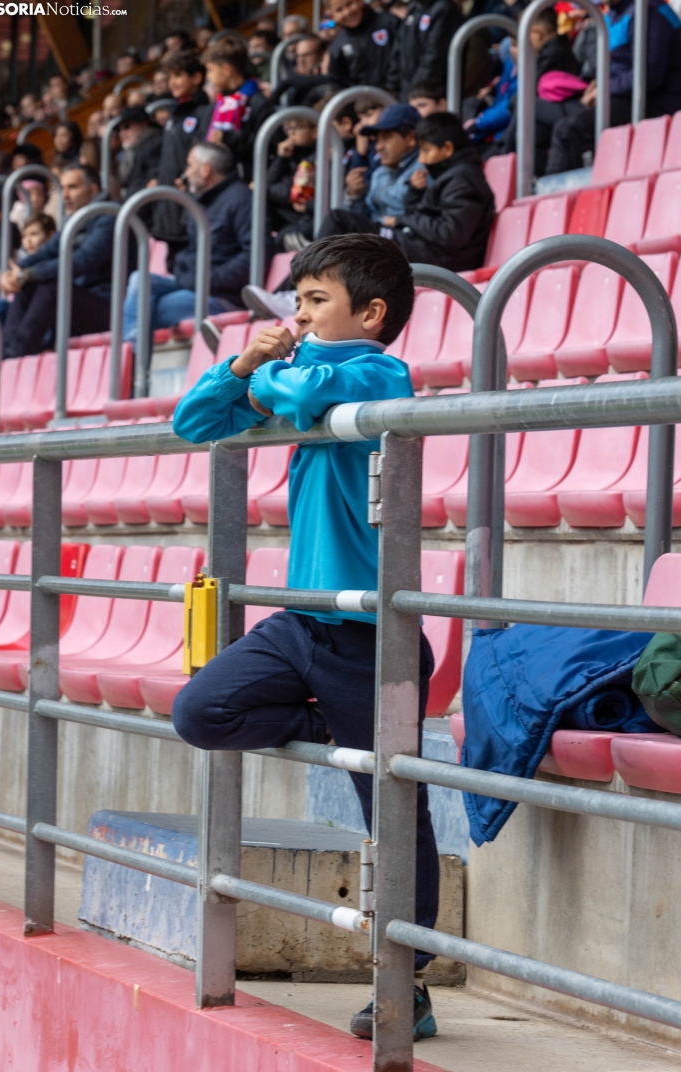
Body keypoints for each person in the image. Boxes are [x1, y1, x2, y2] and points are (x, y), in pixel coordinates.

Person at [171, 233, 439, 1043]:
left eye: (316, 301)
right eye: (298, 301)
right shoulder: (307, 374)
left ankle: (410, 979)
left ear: (372, 312)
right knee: (200, 711)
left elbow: (310, 392)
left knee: (391, 810)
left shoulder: (378, 375)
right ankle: (325, 723)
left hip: (371, 634)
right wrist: (245, 365)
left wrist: (275, 373)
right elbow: (194, 421)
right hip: (300, 620)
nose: (299, 315)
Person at [242, 103, 423, 318]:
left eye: (387, 138)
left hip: (405, 242)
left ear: (411, 137)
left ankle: (296, 294)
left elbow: (427, 216)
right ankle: (289, 296)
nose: (379, 147)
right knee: (338, 231)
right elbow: (364, 215)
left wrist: (400, 218)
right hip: (381, 239)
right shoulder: (380, 173)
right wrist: (355, 197)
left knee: (337, 219)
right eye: (377, 139)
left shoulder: (424, 168)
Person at [123, 142, 253, 348]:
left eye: (189, 166)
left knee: (144, 309)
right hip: (192, 284)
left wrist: (204, 279)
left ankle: (133, 372)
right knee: (139, 280)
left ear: (206, 169)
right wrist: (189, 275)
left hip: (222, 295)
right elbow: (187, 251)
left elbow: (252, 258)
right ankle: (132, 366)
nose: (185, 173)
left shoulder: (241, 199)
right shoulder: (202, 201)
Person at [547, 0, 681, 174]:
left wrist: (605, 89)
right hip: (627, 97)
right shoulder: (615, 13)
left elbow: (647, 76)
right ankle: (542, 193)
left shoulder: (649, 12)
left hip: (657, 102)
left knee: (571, 129)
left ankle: (582, 191)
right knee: (541, 122)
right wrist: (599, 85)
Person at [0, 164, 116, 359]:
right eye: (62, 188)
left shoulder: (110, 217)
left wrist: (29, 274)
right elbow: (46, 252)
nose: (65, 195)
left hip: (108, 307)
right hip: (80, 303)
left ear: (93, 190)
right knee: (29, 286)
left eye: (72, 187)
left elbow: (83, 261)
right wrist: (14, 272)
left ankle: (15, 354)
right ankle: (4, 355)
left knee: (51, 288)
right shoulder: (75, 220)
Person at [389, 111, 494, 270]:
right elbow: (422, 216)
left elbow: (451, 233)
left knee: (350, 229)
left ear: (447, 148)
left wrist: (401, 220)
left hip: (445, 261)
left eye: (426, 151)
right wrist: (415, 192)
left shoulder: (462, 179)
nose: (422, 160)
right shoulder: (453, 174)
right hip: (430, 252)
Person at [151, 51, 209, 265]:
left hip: (188, 205)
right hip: (169, 207)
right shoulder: (175, 114)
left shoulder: (203, 111)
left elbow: (202, 154)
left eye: (178, 76)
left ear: (196, 78)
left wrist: (187, 180)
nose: (172, 83)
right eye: (170, 77)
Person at [386, 0, 463, 100]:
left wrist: (414, 92)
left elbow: (434, 58)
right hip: (408, 91)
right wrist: (391, 88)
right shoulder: (414, 7)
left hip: (430, 94)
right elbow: (398, 51)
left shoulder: (444, 9)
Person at [267, 116, 318, 250]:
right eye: (288, 128)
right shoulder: (291, 155)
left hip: (309, 217)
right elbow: (269, 182)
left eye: (297, 128)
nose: (291, 133)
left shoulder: (320, 155)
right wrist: (280, 158)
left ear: (315, 131)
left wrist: (265, 190)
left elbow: (291, 193)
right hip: (292, 215)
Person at [0, 212, 55, 322]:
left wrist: (21, 278)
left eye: (34, 234)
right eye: (24, 236)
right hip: (16, 311)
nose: (28, 241)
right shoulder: (22, 261)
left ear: (51, 236)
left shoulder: (53, 263)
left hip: (37, 314)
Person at [201, 38, 261, 152]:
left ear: (227, 70)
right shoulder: (218, 103)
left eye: (210, 70)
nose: (208, 77)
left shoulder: (256, 102)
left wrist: (227, 138)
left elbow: (264, 144)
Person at [327, 0, 399, 89]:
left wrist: (389, 88)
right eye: (339, 10)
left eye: (349, 4)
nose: (347, 12)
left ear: (359, 1)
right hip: (360, 98)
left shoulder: (389, 23)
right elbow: (337, 82)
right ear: (332, 16)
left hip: (395, 95)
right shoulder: (337, 45)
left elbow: (404, 60)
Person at [117, 106, 163, 200]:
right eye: (119, 130)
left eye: (126, 127)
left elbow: (152, 182)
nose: (122, 134)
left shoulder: (154, 145)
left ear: (142, 125)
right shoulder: (133, 150)